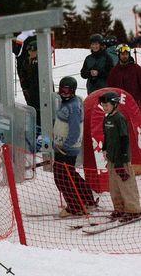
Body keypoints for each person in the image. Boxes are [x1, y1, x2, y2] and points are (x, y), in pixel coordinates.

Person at [53, 76, 96, 217]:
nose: (64, 94)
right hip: (61, 147)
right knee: (70, 175)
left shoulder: (73, 106)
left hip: (66, 149)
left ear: (73, 91)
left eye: (67, 91)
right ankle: (87, 199)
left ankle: (75, 206)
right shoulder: (69, 102)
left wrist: (66, 146)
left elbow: (75, 130)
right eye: (62, 90)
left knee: (62, 178)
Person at [99, 91, 141, 222]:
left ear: (115, 104)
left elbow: (124, 138)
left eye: (107, 105)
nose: (105, 108)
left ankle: (133, 210)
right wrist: (104, 149)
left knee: (126, 184)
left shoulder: (119, 118)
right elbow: (106, 136)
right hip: (111, 157)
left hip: (121, 159)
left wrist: (122, 157)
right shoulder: (107, 118)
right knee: (114, 185)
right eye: (103, 105)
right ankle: (119, 208)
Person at [20, 40, 41, 129]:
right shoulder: (26, 61)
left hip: (39, 91)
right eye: (30, 51)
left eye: (33, 51)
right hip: (30, 91)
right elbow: (23, 76)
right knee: (32, 110)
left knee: (40, 112)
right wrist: (24, 88)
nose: (31, 53)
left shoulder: (41, 62)